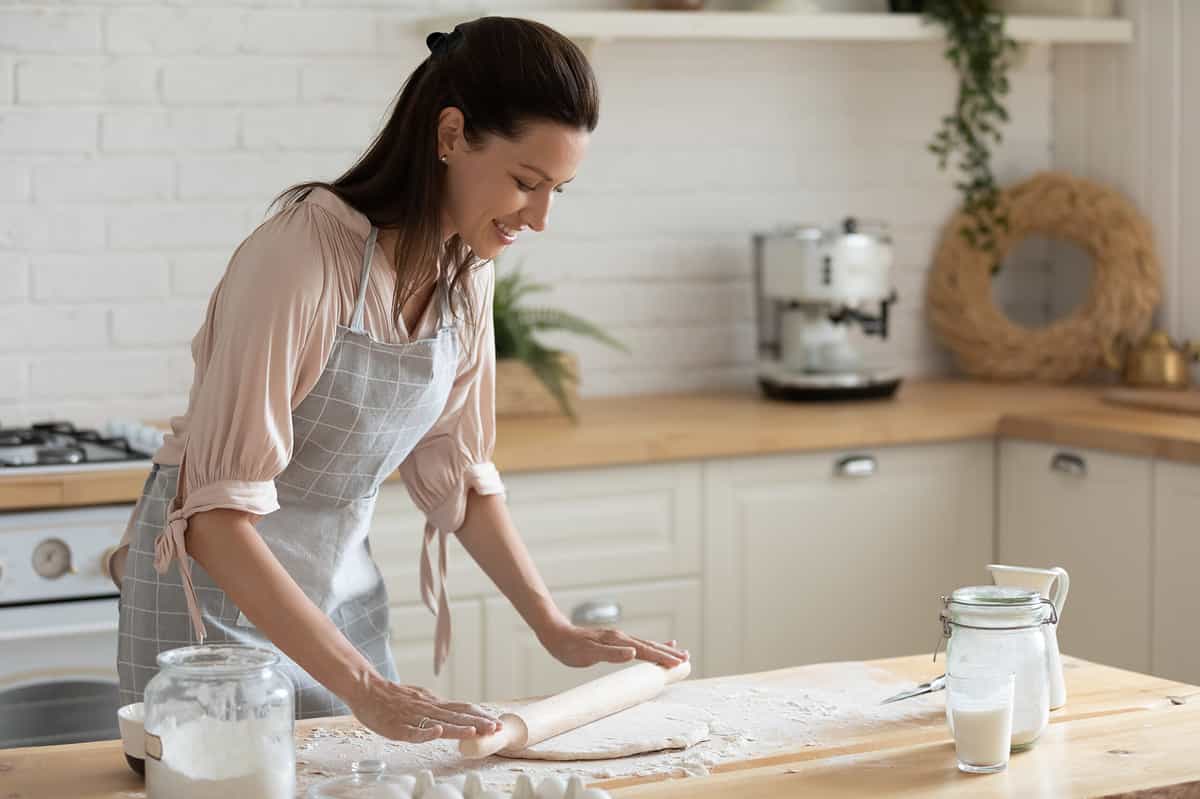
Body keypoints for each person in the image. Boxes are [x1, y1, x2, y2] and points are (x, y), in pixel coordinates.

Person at [107, 16, 688, 743]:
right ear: (450, 136)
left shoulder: (465, 273)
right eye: (525, 182)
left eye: (557, 192)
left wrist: (554, 626)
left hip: (338, 596)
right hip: (214, 609)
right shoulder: (301, 259)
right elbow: (215, 520)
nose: (538, 218)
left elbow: (457, 471)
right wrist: (366, 687)